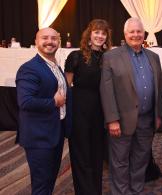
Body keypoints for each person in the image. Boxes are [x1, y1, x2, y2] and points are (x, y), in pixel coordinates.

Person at [100, 17, 162, 194]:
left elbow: (159, 86)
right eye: (132, 32)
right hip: (121, 122)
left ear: (144, 34)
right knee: (119, 161)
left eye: (139, 31)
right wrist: (112, 120)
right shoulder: (111, 57)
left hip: (147, 120)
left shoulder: (154, 57)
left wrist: (158, 115)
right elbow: (107, 91)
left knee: (141, 159)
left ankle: (136, 190)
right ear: (125, 34)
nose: (136, 35)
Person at [15, 27, 72, 194]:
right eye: (45, 38)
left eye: (54, 38)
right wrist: (54, 102)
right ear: (36, 42)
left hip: (54, 133)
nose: (50, 42)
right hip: (38, 136)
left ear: (59, 42)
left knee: (49, 180)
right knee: (41, 184)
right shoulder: (29, 68)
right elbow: (25, 102)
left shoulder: (54, 65)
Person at [64, 19, 112, 195]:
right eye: (96, 32)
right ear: (89, 35)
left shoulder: (108, 58)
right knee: (81, 154)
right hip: (79, 111)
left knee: (97, 154)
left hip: (100, 111)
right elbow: (66, 86)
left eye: (103, 33)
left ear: (107, 37)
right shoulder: (75, 56)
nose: (100, 36)